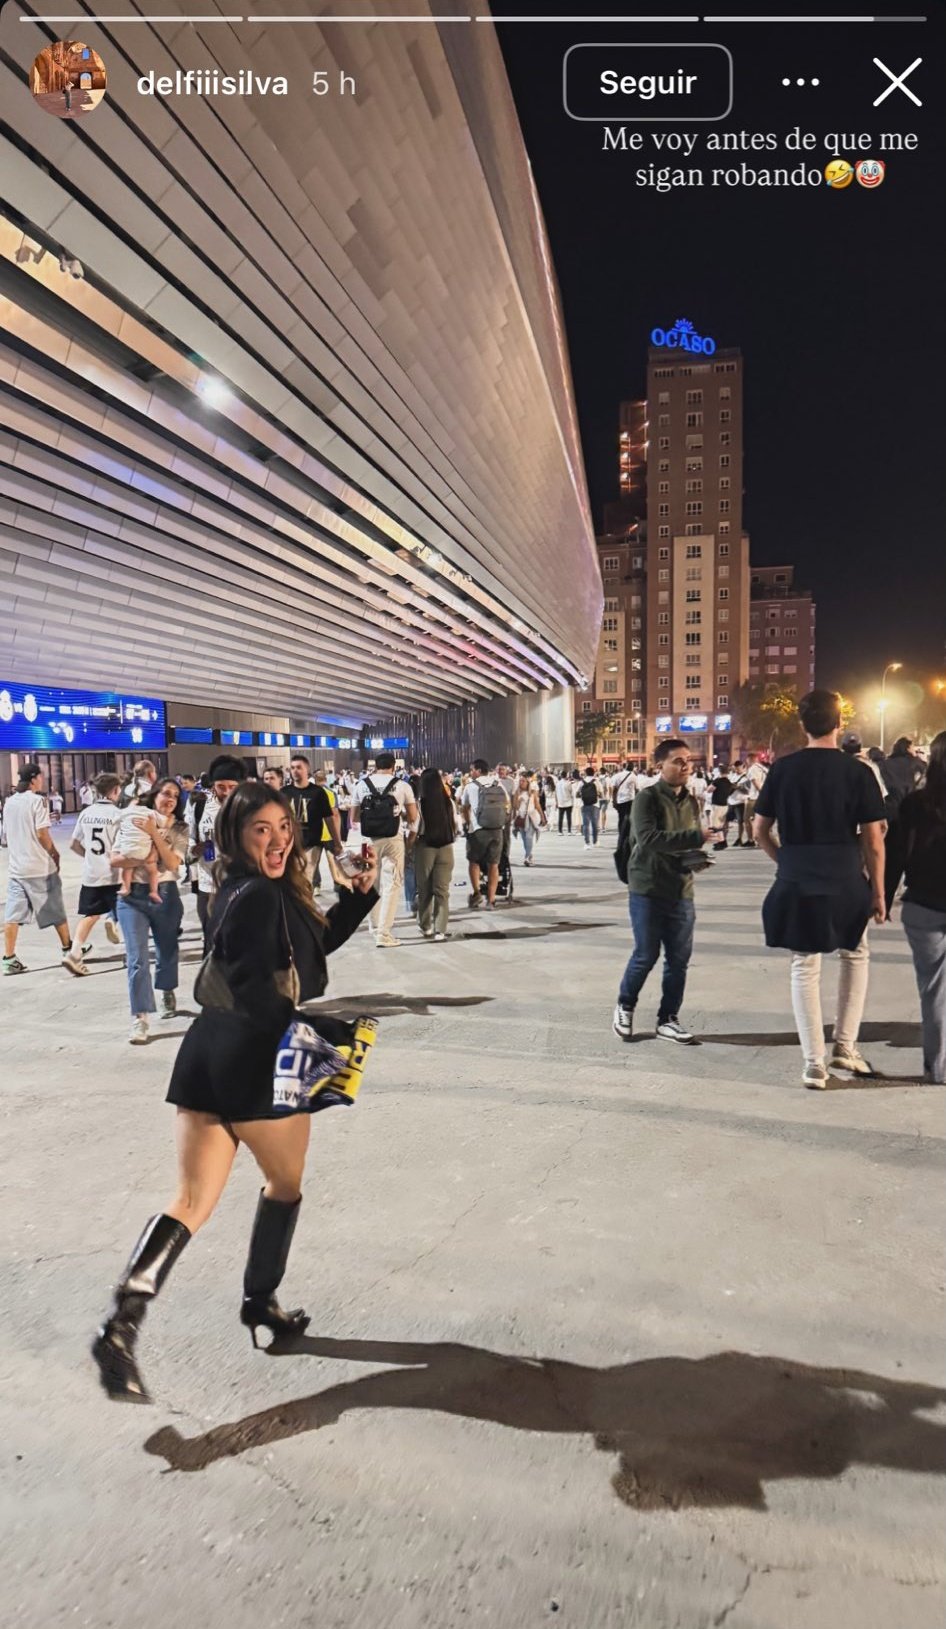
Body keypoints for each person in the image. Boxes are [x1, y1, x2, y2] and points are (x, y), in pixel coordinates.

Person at [91, 781, 380, 1404]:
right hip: (255, 1061)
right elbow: (256, 991)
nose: (277, 840)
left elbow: (304, 949)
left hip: (207, 1054)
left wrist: (357, 900)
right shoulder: (259, 896)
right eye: (261, 831)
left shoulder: (245, 889)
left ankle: (120, 1326)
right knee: (284, 1186)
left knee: (191, 1200)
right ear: (238, 836)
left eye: (282, 827)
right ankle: (260, 1304)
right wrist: (317, 1032)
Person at [753, 690, 887, 1090]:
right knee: (855, 954)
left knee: (804, 965)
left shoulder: (782, 769)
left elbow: (759, 830)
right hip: (846, 877)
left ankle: (814, 1064)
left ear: (802, 725)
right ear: (838, 724)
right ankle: (845, 1046)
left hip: (797, 879)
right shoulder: (858, 771)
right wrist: (879, 892)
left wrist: (787, 862)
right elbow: (874, 840)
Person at [612, 740, 714, 1045]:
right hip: (647, 887)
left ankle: (668, 1019)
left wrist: (694, 856)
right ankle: (625, 1006)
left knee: (679, 959)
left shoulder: (691, 800)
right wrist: (696, 836)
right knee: (646, 954)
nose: (685, 766)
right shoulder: (647, 798)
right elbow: (648, 838)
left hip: (681, 888)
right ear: (660, 766)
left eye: (688, 760)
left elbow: (682, 844)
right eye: (678, 761)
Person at [116, 778, 190, 1044]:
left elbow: (172, 863)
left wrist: (153, 835)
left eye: (175, 796)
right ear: (154, 795)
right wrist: (146, 857)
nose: (169, 799)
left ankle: (167, 989)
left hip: (166, 895)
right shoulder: (134, 818)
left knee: (167, 949)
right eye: (165, 794)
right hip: (131, 897)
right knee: (137, 958)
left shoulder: (180, 828)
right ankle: (140, 1018)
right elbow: (115, 858)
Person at [893, 730, 946, 1084]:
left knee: (934, 989)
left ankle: (939, 1067)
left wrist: (879, 895)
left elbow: (897, 852)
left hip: (924, 904)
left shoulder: (916, 803)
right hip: (925, 904)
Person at [2, 763, 79, 977]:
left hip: (17, 869)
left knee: (13, 916)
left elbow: (5, 837)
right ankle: (68, 949)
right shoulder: (37, 801)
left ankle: (9, 959)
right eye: (41, 777)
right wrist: (55, 853)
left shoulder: (9, 803)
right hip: (39, 867)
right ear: (34, 778)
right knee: (55, 909)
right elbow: (42, 834)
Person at [350, 752, 418, 947]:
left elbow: (354, 818)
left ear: (375, 765)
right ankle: (384, 933)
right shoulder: (402, 785)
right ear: (393, 766)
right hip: (393, 838)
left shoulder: (361, 785)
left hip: (368, 840)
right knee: (392, 884)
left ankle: (373, 926)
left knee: (371, 883)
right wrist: (397, 813)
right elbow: (413, 816)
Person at [187, 756, 247, 952]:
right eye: (221, 786)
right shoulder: (200, 806)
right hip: (208, 883)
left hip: (240, 884)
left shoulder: (248, 806)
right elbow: (189, 842)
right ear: (213, 784)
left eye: (232, 786)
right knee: (211, 940)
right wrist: (196, 849)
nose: (227, 792)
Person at [66, 770, 123, 970]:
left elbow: (73, 844)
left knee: (89, 915)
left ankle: (74, 953)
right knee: (125, 908)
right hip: (114, 873)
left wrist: (89, 856)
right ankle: (112, 920)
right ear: (115, 791)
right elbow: (121, 846)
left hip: (91, 873)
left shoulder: (86, 813)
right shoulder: (118, 815)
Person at [880, 736, 925, 915]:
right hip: (911, 818)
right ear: (908, 747)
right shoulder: (917, 764)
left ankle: (882, 901)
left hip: (888, 816)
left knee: (889, 861)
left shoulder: (884, 765)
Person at [284, 756, 340, 894]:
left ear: (307, 769)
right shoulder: (284, 793)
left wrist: (337, 842)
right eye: (292, 768)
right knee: (293, 882)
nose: (295, 771)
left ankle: (304, 909)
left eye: (299, 767)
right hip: (290, 844)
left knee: (305, 880)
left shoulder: (318, 792)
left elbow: (329, 818)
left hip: (312, 843)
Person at [413, 767, 457, 940]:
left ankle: (426, 926)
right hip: (446, 847)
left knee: (424, 888)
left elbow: (415, 827)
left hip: (425, 847)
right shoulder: (448, 802)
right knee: (442, 890)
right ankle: (441, 929)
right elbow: (456, 826)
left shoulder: (419, 803)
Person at [460, 759, 510, 910]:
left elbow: (464, 807)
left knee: (474, 862)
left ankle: (477, 893)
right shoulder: (498, 784)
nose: (471, 772)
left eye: (472, 769)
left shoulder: (471, 786)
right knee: (493, 864)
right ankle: (491, 899)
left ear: (478, 770)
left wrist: (468, 824)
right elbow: (507, 804)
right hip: (497, 829)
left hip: (478, 829)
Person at [112, 803, 167, 904]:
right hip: (146, 852)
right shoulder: (150, 812)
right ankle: (154, 891)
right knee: (152, 871)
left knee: (127, 867)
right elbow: (164, 821)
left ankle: (126, 887)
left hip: (127, 850)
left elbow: (114, 821)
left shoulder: (124, 811)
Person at [511, 772, 543, 867]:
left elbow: (537, 805)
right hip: (521, 817)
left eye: (523, 781)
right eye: (520, 781)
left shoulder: (532, 792)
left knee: (529, 837)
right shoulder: (517, 793)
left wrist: (542, 816)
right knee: (525, 839)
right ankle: (530, 856)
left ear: (527, 782)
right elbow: (515, 807)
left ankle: (527, 857)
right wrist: (519, 800)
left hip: (531, 817)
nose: (521, 782)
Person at [742, 755, 768, 847]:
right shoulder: (764, 768)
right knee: (762, 820)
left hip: (754, 798)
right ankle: (763, 840)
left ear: (750, 760)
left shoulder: (752, 769)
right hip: (764, 796)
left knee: (747, 819)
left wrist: (762, 794)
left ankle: (751, 840)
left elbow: (756, 783)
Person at [708, 769, 734, 850]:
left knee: (716, 825)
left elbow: (709, 790)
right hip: (725, 804)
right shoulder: (729, 782)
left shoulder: (717, 781)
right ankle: (721, 841)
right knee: (721, 824)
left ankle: (722, 842)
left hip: (717, 805)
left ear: (720, 772)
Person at [578, 769, 601, 849]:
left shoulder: (581, 782)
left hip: (584, 805)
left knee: (586, 825)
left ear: (585, 773)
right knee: (595, 824)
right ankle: (595, 841)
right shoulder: (597, 781)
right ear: (593, 773)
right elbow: (601, 793)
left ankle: (587, 843)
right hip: (595, 805)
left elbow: (576, 794)